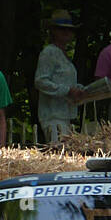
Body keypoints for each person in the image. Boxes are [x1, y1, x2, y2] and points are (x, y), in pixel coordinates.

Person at [34, 9, 84, 144]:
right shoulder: (49, 52)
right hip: (52, 116)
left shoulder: (63, 55)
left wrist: (79, 90)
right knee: (58, 153)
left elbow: (65, 82)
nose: (66, 32)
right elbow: (40, 81)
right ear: (53, 31)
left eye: (69, 29)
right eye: (61, 29)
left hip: (65, 115)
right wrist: (67, 90)